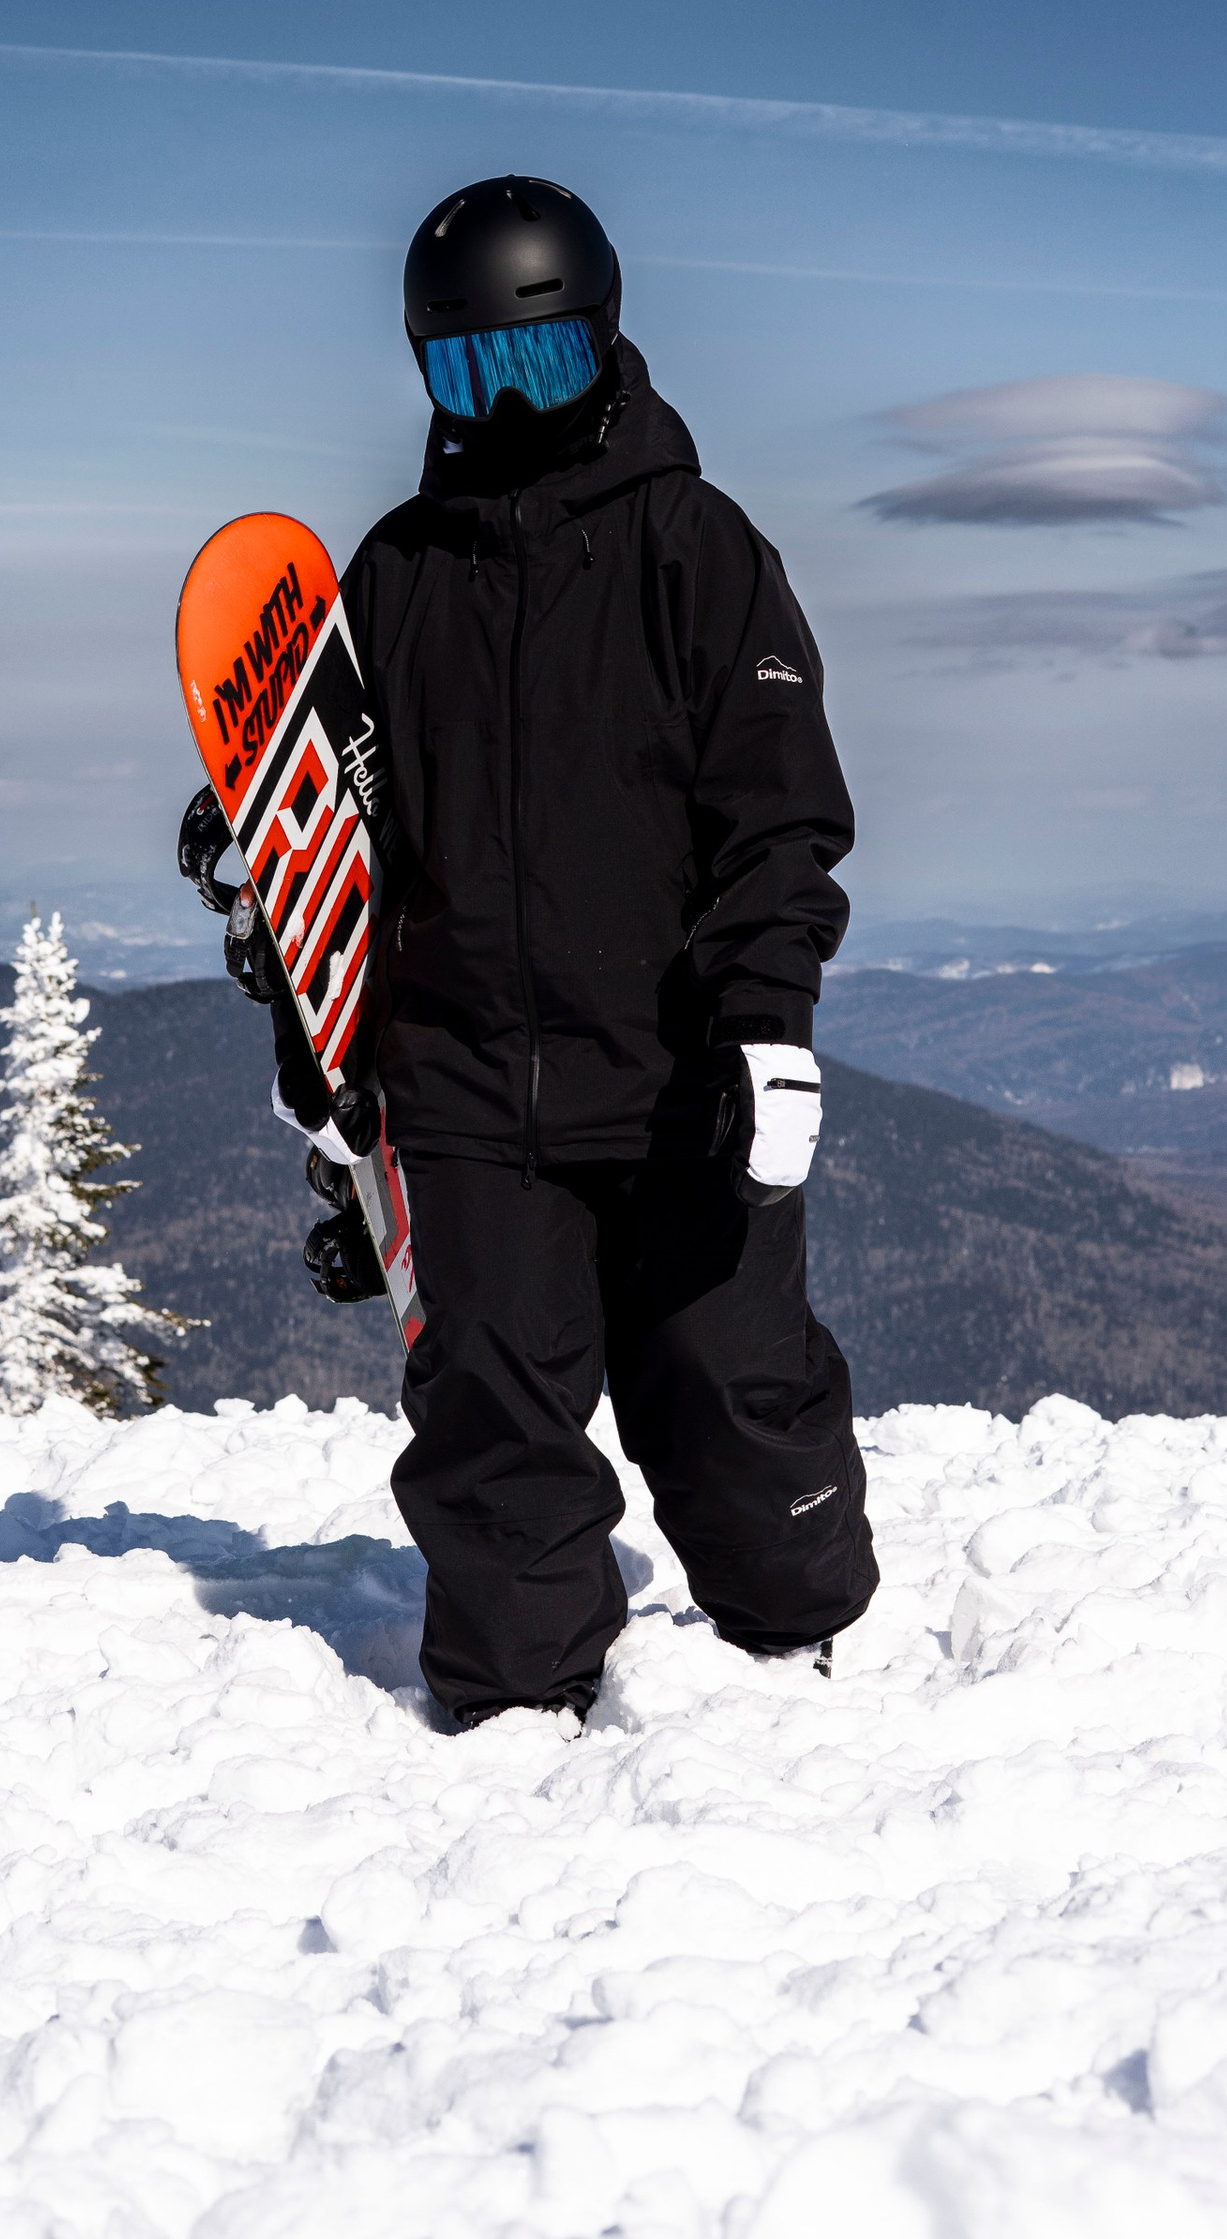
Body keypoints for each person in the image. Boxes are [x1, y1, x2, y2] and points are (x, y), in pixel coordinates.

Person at [239, 175, 878, 1727]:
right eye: (471, 372)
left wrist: (766, 1027)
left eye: (538, 364)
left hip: (672, 1074)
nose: (509, 406)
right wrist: (302, 1013)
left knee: (727, 1393)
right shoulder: (394, 574)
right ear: (427, 373)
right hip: (464, 1085)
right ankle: (513, 1726)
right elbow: (338, 834)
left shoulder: (695, 549)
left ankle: (799, 1666)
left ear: (606, 344)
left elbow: (778, 817)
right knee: (491, 1427)